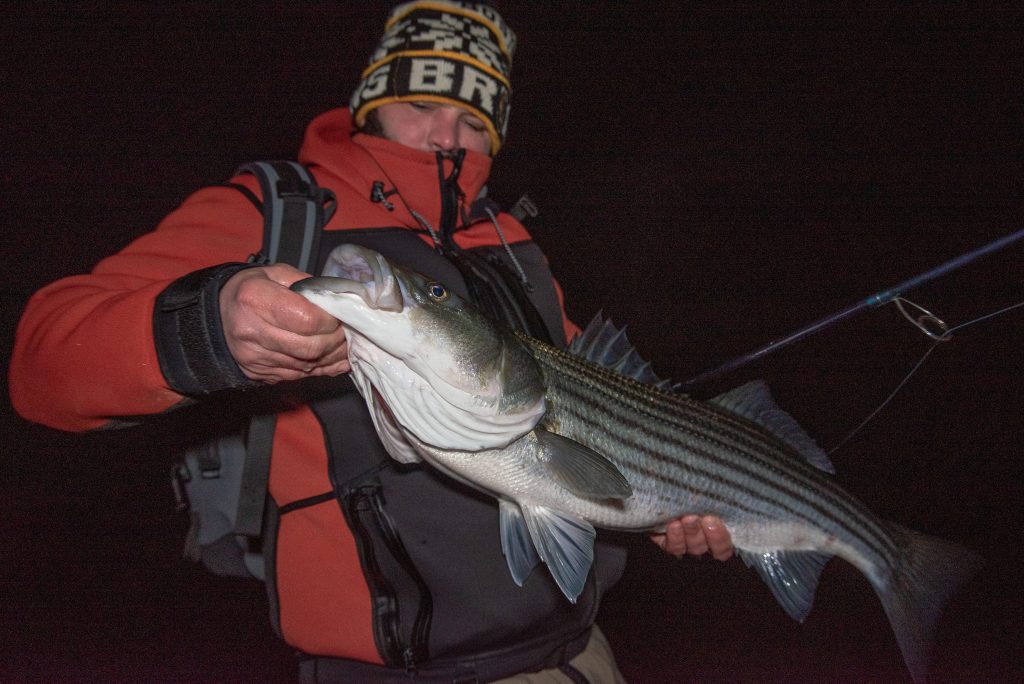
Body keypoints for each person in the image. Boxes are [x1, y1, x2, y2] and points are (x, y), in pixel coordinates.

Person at [9, 2, 732, 682]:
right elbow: (42, 361)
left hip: (581, 657)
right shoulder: (278, 211)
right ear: (373, 103)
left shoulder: (513, 244)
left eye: (474, 120)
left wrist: (672, 494)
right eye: (422, 106)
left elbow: (599, 416)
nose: (448, 138)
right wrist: (210, 326)